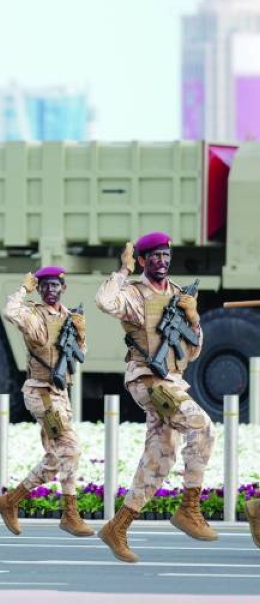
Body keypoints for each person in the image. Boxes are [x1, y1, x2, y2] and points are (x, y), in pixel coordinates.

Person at [95, 232, 215, 562]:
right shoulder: (134, 294)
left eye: (166, 255)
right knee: (202, 427)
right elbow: (105, 302)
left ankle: (117, 527)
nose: (162, 260)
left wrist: (193, 318)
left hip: (173, 381)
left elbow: (192, 351)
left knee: (161, 455)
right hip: (148, 381)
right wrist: (123, 270)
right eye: (155, 256)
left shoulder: (179, 295)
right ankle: (189, 508)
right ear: (144, 261)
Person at [0, 266, 93, 537]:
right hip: (41, 393)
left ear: (64, 288)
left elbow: (79, 354)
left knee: (55, 455)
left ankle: (10, 501)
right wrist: (23, 289)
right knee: (70, 448)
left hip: (61, 393)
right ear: (39, 289)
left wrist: (81, 334)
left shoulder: (69, 317)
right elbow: (10, 311)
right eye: (45, 286)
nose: (50, 290)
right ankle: (70, 513)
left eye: (55, 285)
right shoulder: (33, 313)